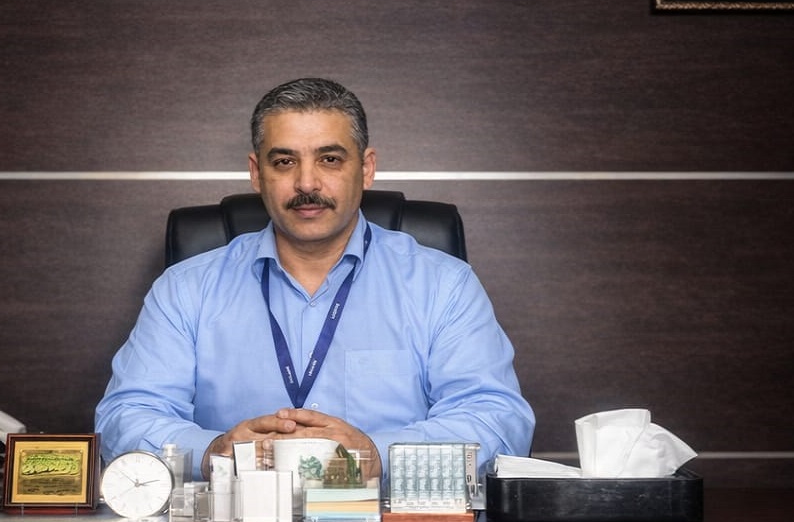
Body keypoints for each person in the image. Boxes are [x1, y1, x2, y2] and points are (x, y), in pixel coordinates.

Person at [95, 77, 534, 481]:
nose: (307, 182)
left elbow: (498, 421)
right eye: (285, 161)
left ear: (366, 168)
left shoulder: (442, 286)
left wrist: (377, 456)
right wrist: (213, 452)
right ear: (256, 173)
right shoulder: (185, 289)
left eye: (329, 159)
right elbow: (124, 417)